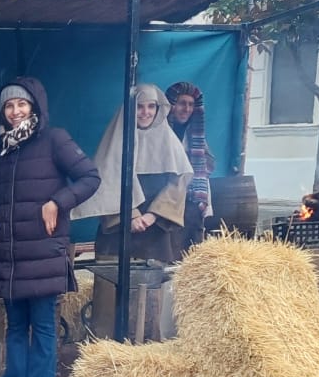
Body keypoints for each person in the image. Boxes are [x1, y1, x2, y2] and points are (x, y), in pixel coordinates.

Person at [0, 78, 99, 377]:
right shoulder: (1, 149)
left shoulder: (54, 139)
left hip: (44, 251)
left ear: (34, 106)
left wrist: (57, 202)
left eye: (21, 104)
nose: (15, 111)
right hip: (11, 254)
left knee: (44, 326)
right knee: (15, 326)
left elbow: (90, 177)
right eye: (8, 105)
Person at [74, 83, 193, 265]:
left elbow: (178, 183)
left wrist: (152, 215)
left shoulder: (169, 141)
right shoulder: (115, 140)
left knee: (152, 289)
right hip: (119, 230)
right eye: (139, 106)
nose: (146, 112)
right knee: (111, 287)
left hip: (157, 230)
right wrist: (131, 215)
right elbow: (106, 182)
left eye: (151, 106)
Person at [165, 80, 215, 255]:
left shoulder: (195, 134)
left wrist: (194, 166)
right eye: (182, 103)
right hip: (165, 201)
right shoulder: (161, 133)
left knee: (191, 253)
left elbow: (209, 162)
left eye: (191, 104)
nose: (186, 109)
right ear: (171, 105)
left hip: (192, 201)